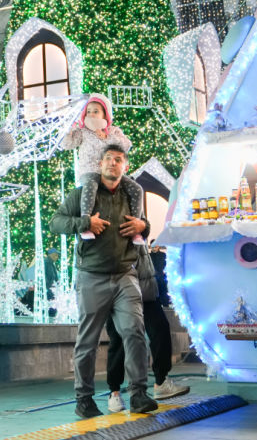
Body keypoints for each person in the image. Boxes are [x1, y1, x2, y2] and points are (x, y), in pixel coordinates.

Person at [50, 144, 157, 419]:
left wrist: (144, 227)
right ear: (100, 165)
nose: (112, 163)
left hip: (125, 275)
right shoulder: (82, 193)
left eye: (118, 160)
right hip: (91, 276)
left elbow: (144, 226)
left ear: (125, 166)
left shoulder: (131, 194)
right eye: (108, 159)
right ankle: (84, 399)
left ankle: (139, 394)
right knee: (88, 341)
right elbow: (56, 223)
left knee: (134, 331)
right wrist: (84, 223)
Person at [104, 244, 189, 412]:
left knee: (160, 329)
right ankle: (114, 392)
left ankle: (160, 382)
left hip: (144, 284)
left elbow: (144, 232)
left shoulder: (138, 220)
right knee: (119, 339)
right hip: (118, 287)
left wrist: (143, 227)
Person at [61, 96, 144, 246]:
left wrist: (107, 137)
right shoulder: (82, 132)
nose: (91, 115)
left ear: (105, 114)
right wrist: (69, 129)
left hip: (111, 173)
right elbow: (67, 144)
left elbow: (126, 145)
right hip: (90, 171)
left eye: (96, 111)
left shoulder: (114, 131)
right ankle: (86, 223)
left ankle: (135, 228)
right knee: (91, 186)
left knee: (136, 189)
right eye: (89, 112)